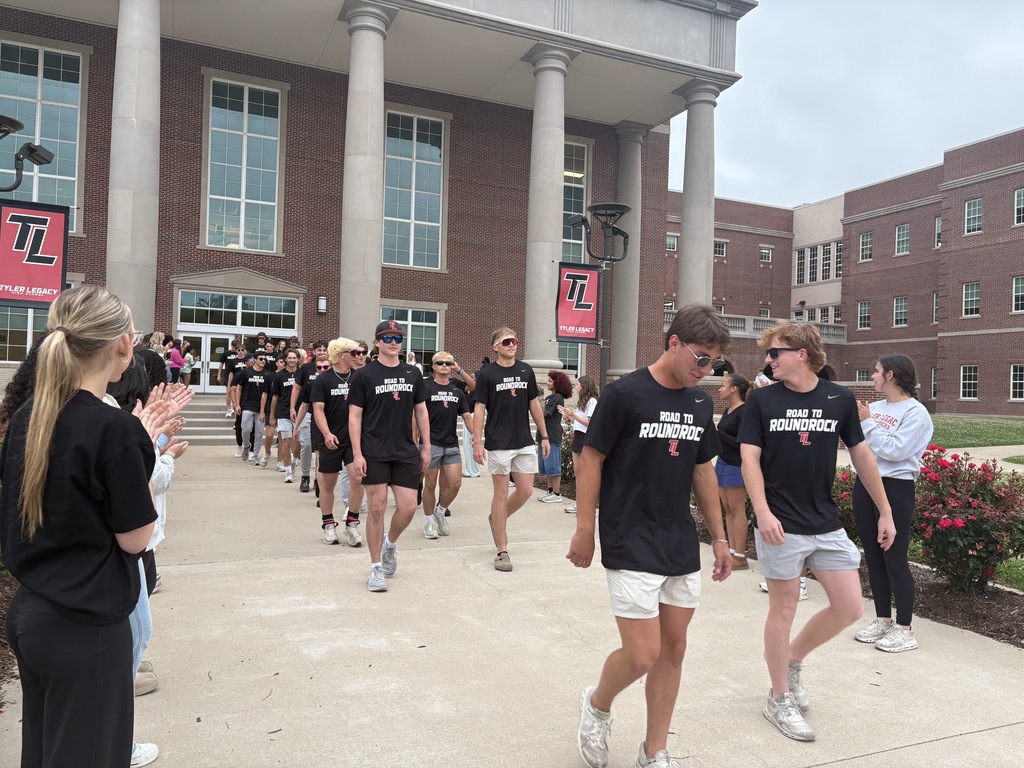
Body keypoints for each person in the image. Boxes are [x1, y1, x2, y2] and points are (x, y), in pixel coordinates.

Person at [1, 286, 163, 767]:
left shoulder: (30, 415)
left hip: (34, 614)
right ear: (123, 345)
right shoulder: (112, 428)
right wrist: (144, 451)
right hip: (85, 626)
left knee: (48, 752)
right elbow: (136, 537)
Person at [567, 304, 734, 768]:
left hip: (678, 539)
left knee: (673, 650)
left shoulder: (700, 403)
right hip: (628, 535)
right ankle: (598, 704)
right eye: (701, 358)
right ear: (673, 343)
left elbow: (703, 470)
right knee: (642, 654)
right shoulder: (625, 394)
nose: (705, 372)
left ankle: (654, 750)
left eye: (714, 364)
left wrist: (718, 537)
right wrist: (585, 529)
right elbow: (591, 459)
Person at [738, 321, 895, 743]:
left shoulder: (839, 398)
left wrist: (885, 511)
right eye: (768, 354)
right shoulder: (762, 401)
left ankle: (791, 660)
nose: (768, 360)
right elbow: (749, 460)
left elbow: (861, 456)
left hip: (824, 521)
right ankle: (779, 696)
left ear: (801, 354)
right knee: (783, 609)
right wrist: (763, 512)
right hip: (780, 524)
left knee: (849, 608)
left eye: (775, 353)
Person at [852, 354, 933, 653]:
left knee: (894, 557)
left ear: (891, 375)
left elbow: (895, 450)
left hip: (896, 487)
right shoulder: (874, 408)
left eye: (875, 372)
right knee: (872, 555)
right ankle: (883, 619)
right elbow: (861, 446)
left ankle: (904, 629)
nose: (872, 376)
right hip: (865, 484)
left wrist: (868, 424)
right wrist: (866, 423)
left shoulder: (916, 413)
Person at [348, 321, 430, 592]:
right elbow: (354, 416)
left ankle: (390, 545)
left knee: (408, 507)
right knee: (376, 508)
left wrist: (426, 446)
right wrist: (357, 454)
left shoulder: (412, 373)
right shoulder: (364, 375)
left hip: (405, 449)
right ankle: (374, 569)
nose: (393, 342)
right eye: (387, 338)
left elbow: (421, 411)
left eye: (397, 338)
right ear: (377, 343)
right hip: (374, 450)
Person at [473, 328, 550, 572]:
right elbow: (479, 408)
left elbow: (534, 403)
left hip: (524, 440)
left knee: (526, 490)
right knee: (500, 492)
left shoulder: (526, 370)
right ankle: (502, 551)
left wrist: (544, 435)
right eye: (506, 341)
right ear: (495, 346)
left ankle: (497, 519)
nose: (511, 345)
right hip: (499, 441)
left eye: (514, 341)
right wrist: (477, 440)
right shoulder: (487, 374)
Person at [312, 338, 365, 547]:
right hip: (331, 440)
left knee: (358, 479)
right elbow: (318, 410)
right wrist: (326, 433)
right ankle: (328, 525)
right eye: (353, 353)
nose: (358, 356)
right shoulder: (323, 380)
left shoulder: (359, 378)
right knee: (328, 484)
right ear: (341, 355)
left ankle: (352, 524)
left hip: (354, 440)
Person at [421, 351, 474, 538]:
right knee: (430, 484)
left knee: (455, 483)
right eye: (440, 363)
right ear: (433, 367)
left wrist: (476, 435)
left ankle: (440, 512)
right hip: (430, 443)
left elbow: (466, 415)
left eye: (448, 363)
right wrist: (415, 441)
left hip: (451, 443)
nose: (444, 366)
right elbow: (415, 415)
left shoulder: (457, 391)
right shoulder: (425, 386)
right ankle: (428, 522)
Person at [716, 373, 751, 570]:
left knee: (737, 510)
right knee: (728, 509)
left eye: (723, 385)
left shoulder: (744, 411)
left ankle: (741, 554)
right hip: (723, 462)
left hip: (737, 465)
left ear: (734, 389)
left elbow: (743, 442)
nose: (720, 388)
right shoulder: (729, 410)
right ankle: (731, 551)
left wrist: (719, 434)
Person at [558, 375, 599, 514]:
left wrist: (574, 416)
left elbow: (591, 424)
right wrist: (568, 416)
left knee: (585, 474)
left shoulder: (592, 401)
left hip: (586, 439)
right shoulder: (582, 402)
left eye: (578, 384)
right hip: (578, 437)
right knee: (578, 473)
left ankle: (588, 506)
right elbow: (580, 422)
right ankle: (579, 503)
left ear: (584, 386)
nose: (576, 387)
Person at [538, 370, 573, 503]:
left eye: (550, 381)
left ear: (557, 383)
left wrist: (539, 396)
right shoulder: (549, 398)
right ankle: (550, 491)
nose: (547, 383)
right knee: (546, 466)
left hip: (552, 434)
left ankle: (557, 494)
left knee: (553, 464)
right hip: (543, 434)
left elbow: (544, 413)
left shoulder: (557, 398)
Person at [233, 349, 270, 465]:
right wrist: (237, 404)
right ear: (254, 360)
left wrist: (263, 411)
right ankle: (246, 445)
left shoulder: (267, 374)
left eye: (265, 359)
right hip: (247, 404)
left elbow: (265, 394)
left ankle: (254, 456)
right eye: (261, 359)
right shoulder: (246, 373)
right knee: (246, 429)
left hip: (260, 407)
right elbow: (238, 388)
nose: (263, 361)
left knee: (259, 433)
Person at [270, 349, 301, 483]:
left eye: (295, 358)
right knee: (286, 441)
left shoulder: (302, 373)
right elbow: (275, 396)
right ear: (286, 360)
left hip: (300, 412)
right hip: (283, 412)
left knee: (299, 442)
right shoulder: (279, 376)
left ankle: (294, 459)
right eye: (290, 358)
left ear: (298, 359)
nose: (292, 360)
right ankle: (288, 471)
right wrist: (272, 415)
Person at [461, 357, 488, 479]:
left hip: (472, 417)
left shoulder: (475, 392)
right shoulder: (467, 392)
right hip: (467, 418)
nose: (470, 379)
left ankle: (474, 471)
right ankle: (470, 469)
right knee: (467, 446)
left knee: (472, 445)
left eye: (472, 377)